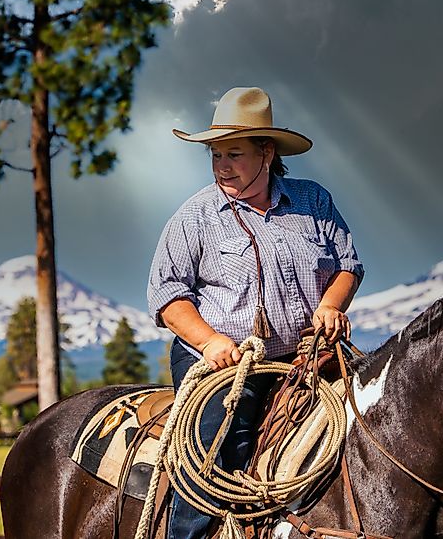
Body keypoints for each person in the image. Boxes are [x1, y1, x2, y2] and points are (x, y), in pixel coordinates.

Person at [147, 86, 364, 538]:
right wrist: (210, 341)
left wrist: (330, 305)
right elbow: (167, 295)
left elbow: (348, 265)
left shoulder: (313, 202)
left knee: (374, 418)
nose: (222, 166)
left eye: (234, 154)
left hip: (307, 354)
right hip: (222, 360)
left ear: (267, 153)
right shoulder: (195, 217)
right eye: (215, 155)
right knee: (214, 444)